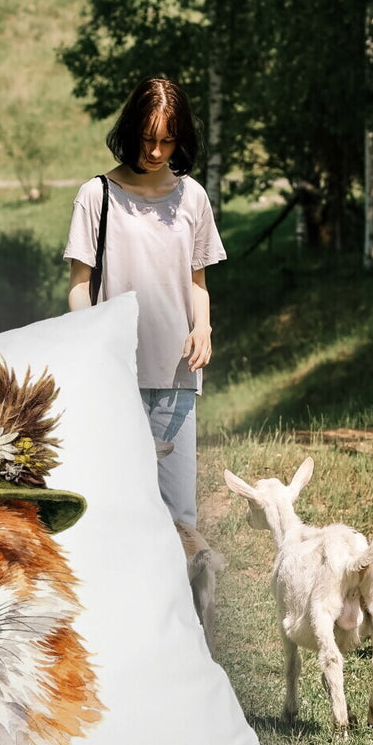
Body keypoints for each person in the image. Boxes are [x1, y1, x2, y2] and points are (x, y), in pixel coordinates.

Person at [64, 77, 225, 527]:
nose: (155, 152)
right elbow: (80, 286)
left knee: (180, 516)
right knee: (116, 509)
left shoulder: (192, 196)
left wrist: (204, 328)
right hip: (117, 377)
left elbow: (198, 282)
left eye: (167, 142)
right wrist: (97, 339)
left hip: (177, 375)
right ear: (130, 130)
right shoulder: (96, 196)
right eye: (148, 139)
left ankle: (188, 600)